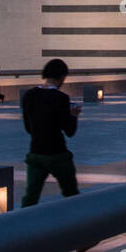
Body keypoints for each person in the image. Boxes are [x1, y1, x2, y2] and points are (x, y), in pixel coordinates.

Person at [20, 58, 82, 207]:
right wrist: (73, 115)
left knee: (30, 198)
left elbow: (28, 128)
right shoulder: (61, 98)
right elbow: (70, 131)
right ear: (62, 77)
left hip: (35, 153)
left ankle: (20, 226)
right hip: (57, 154)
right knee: (71, 194)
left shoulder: (29, 95)